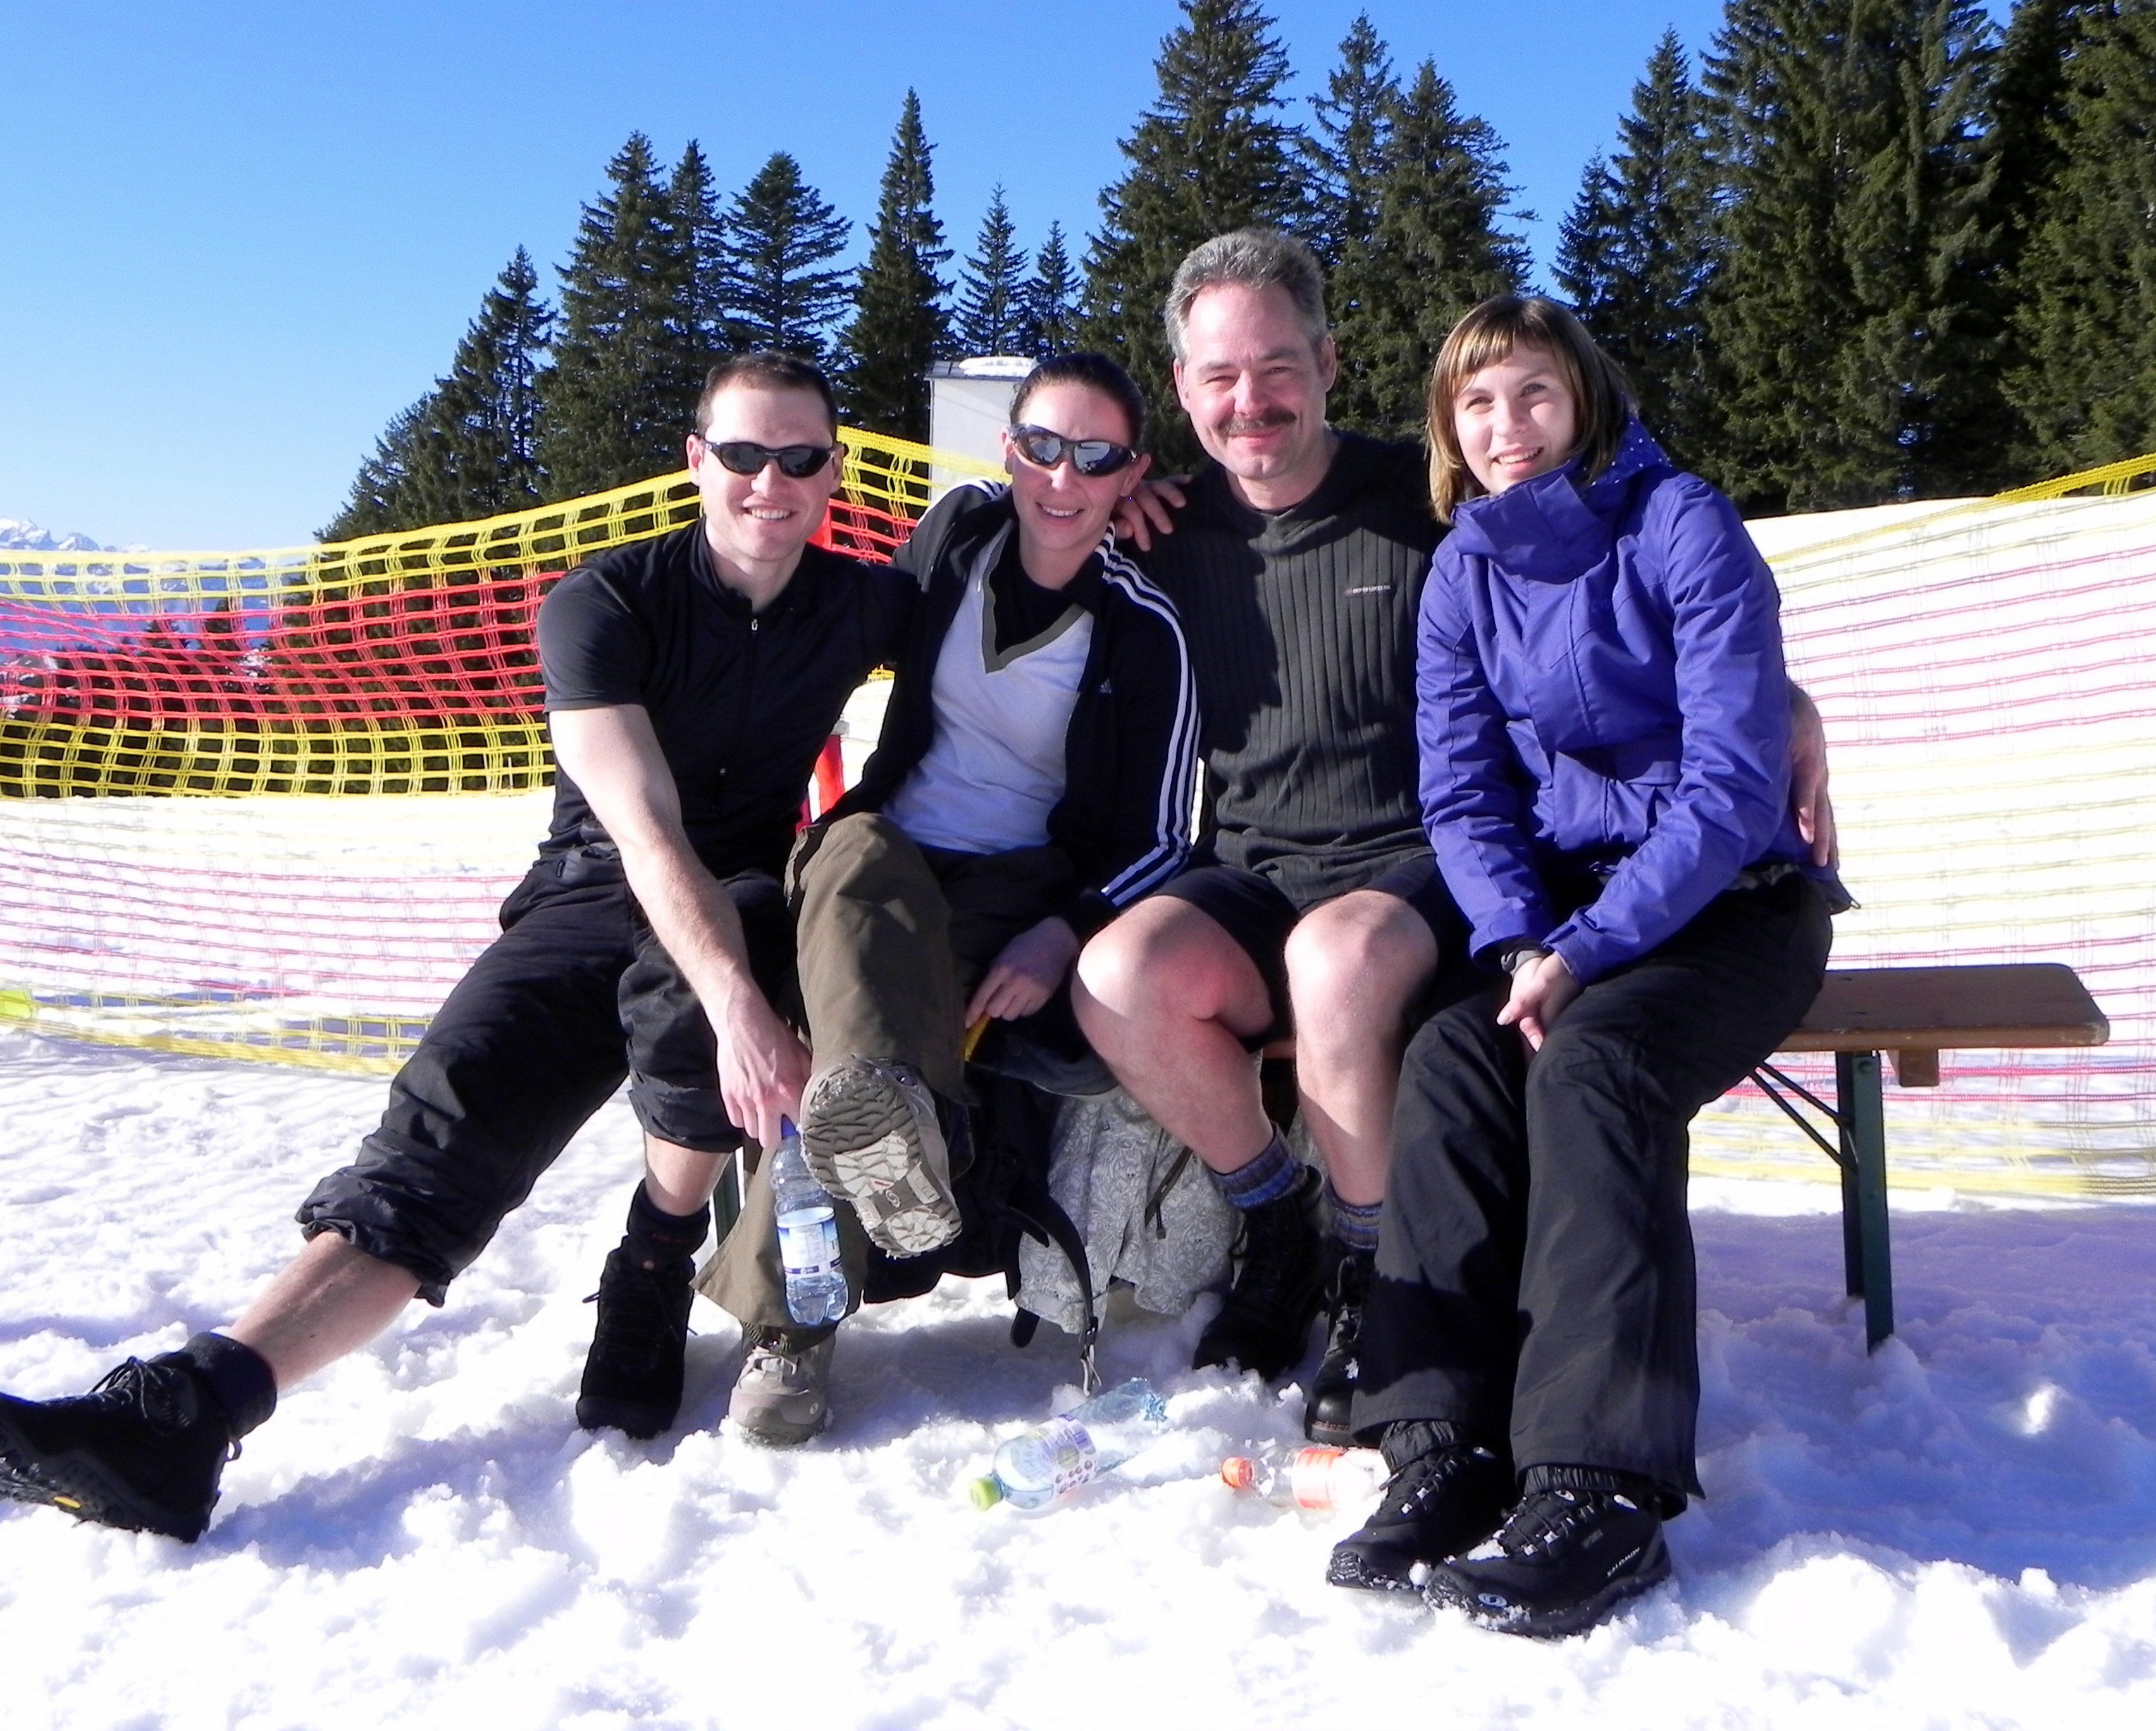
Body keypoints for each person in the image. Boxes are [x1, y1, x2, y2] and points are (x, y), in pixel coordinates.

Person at [0, 353, 914, 1541]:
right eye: (745, 454)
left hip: (742, 886)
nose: (772, 482)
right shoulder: (606, 603)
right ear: (698, 460)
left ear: (833, 472)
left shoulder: (863, 602)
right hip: (597, 881)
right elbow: (644, 832)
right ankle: (191, 1413)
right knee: (444, 1127)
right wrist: (747, 1012)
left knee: (715, 974)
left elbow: (1007, 588)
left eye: (800, 458)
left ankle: (652, 1267)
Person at [1078, 228, 1837, 1444]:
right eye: (1220, 376)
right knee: (1119, 975)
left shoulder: (1431, 503)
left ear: (1329, 363)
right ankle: (1275, 1220)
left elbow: (1603, 577)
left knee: (1337, 963)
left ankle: (1376, 1276)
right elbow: (1016, 557)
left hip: (1419, 860)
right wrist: (1111, 491)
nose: (1250, 400)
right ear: (1183, 387)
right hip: (1255, 861)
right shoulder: (1155, 530)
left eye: (1278, 367)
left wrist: (1786, 707)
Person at [1324, 295, 1842, 1637]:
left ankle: (1599, 1486)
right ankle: (1444, 1443)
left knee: (1597, 1067)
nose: (1509, 427)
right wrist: (1517, 941)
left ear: (1586, 398)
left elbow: (1732, 784)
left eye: (1534, 393)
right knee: (1454, 1055)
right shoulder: (1465, 570)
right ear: (1447, 429)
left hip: (1730, 900)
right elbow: (1464, 793)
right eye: (1476, 404)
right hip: (1559, 917)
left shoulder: (1683, 523)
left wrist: (1586, 951)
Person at [693, 352, 1196, 1442]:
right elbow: (837, 616)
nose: (1063, 478)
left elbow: (1162, 835)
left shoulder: (1143, 624)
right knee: (854, 866)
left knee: (847, 1029)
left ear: (1131, 473)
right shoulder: (959, 530)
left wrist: (1065, 930)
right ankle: (890, 1164)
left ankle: (792, 1330)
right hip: (884, 845)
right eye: (1043, 446)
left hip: (1013, 883)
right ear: (1008, 449)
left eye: (1096, 457)